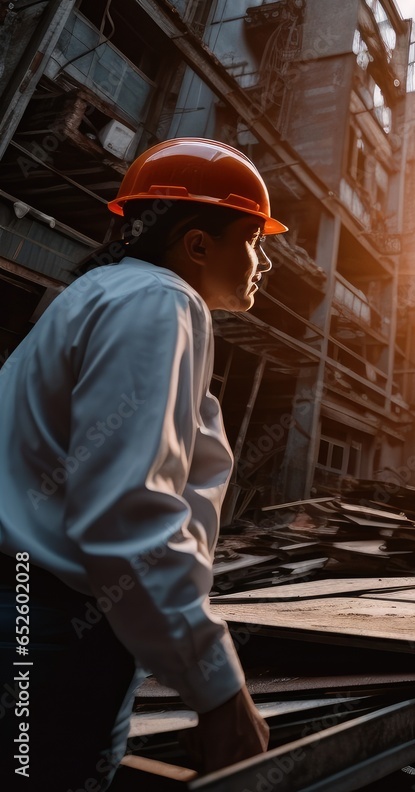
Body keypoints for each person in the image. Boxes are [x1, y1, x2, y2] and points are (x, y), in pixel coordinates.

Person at [0, 138, 284, 789]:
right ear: (197, 244)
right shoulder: (161, 301)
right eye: (253, 239)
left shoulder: (102, 297)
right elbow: (128, 512)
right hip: (53, 630)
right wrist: (218, 689)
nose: (263, 261)